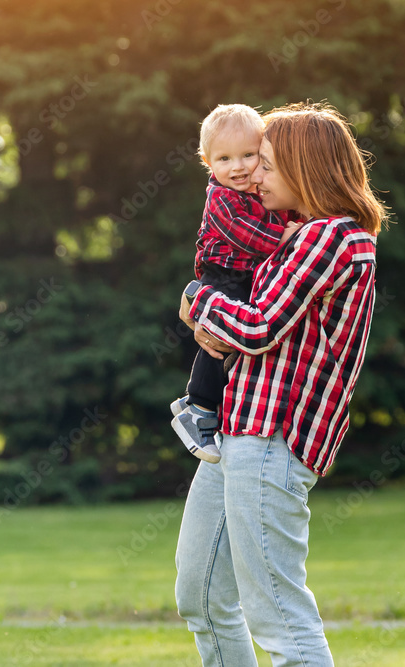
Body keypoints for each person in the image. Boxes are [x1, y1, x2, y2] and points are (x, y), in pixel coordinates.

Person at [174, 102, 388, 667]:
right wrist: (210, 314)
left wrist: (198, 299)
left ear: (304, 167)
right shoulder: (296, 235)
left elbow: (258, 327)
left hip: (272, 439)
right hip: (236, 432)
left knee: (278, 616)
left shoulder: (333, 237)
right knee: (200, 596)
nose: (254, 175)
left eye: (266, 164)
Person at [171, 104, 303, 465]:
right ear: (207, 162)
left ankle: (204, 404)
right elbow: (249, 235)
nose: (239, 167)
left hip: (246, 275)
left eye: (248, 155)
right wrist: (286, 236)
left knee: (235, 343)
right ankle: (198, 406)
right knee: (223, 339)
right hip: (223, 273)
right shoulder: (222, 197)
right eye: (225, 159)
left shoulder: (259, 190)